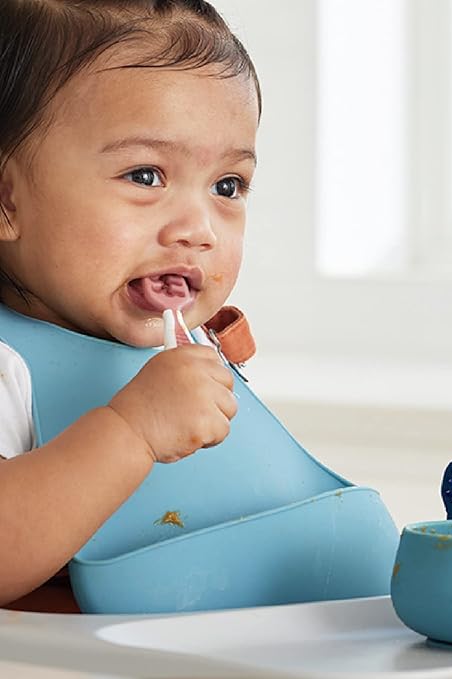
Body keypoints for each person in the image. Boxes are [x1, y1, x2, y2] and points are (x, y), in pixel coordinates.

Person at [0, 0, 261, 610]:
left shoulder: (198, 349)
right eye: (145, 176)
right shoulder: (7, 367)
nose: (199, 230)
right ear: (7, 201)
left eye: (227, 187)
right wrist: (131, 431)